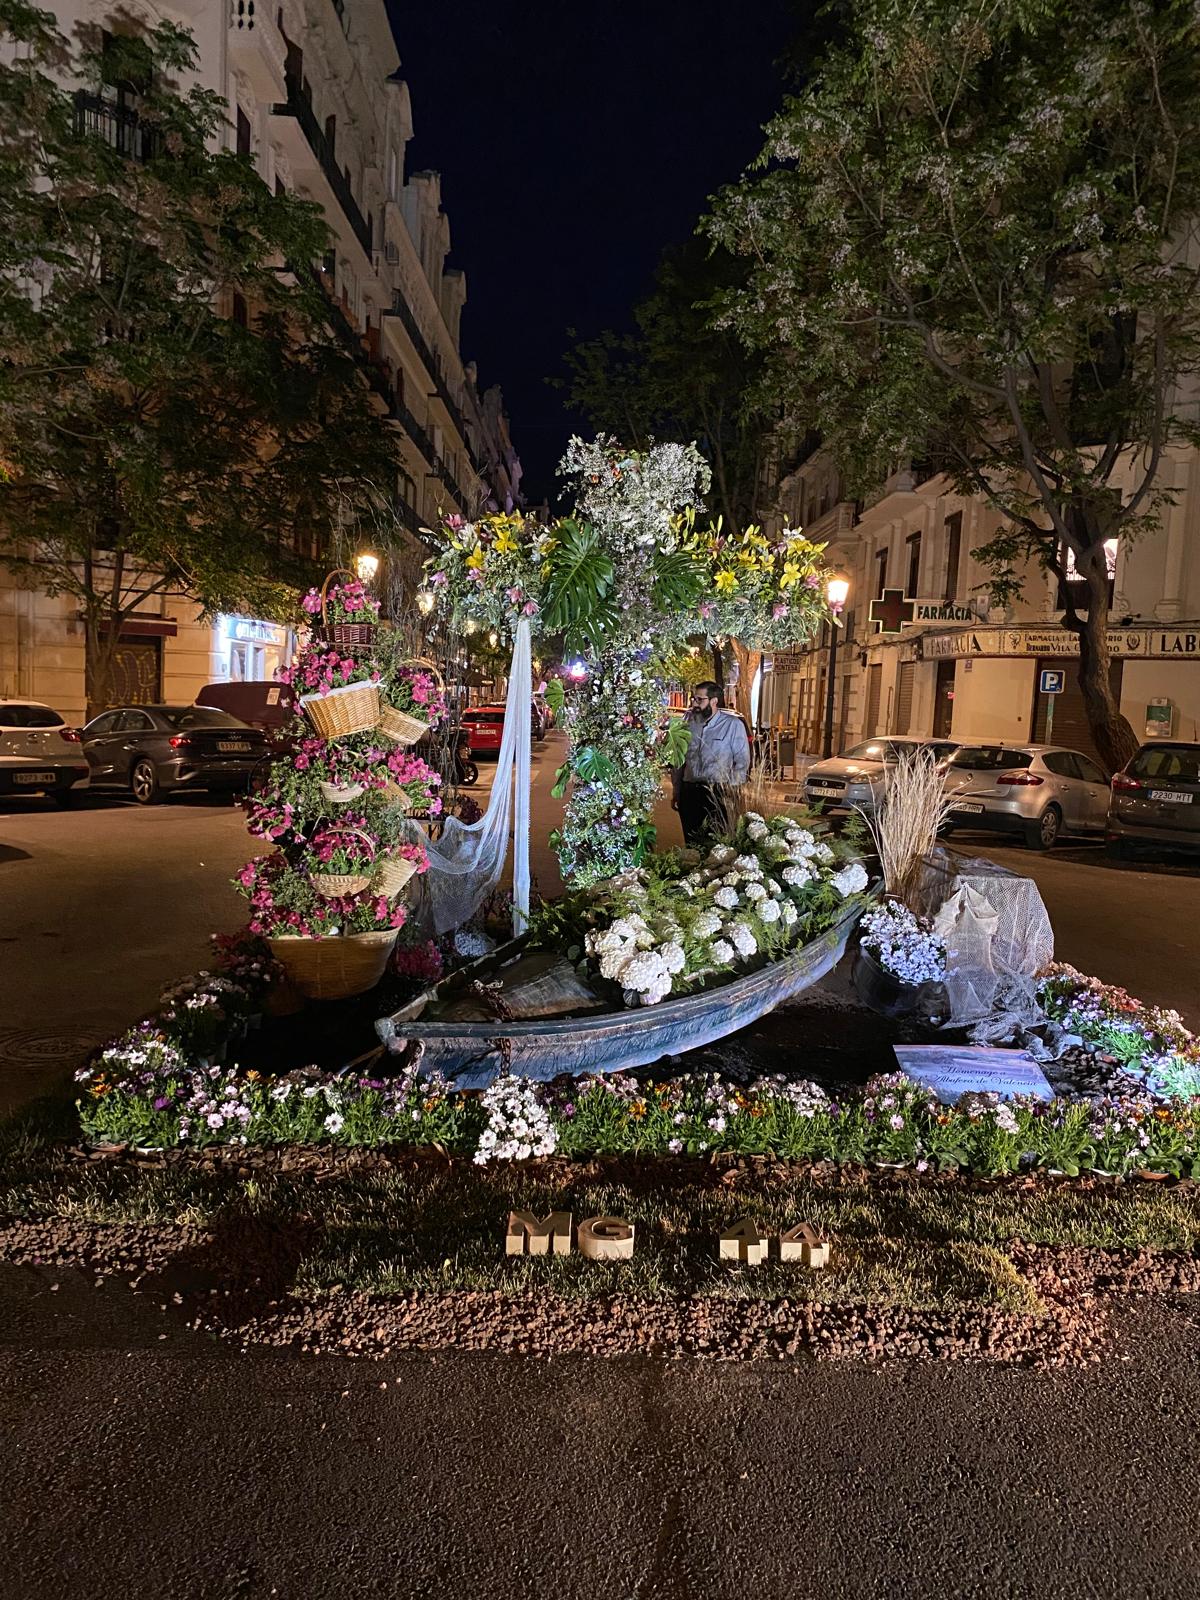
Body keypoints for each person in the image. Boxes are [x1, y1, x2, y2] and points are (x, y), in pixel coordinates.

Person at [671, 680, 751, 845]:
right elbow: (679, 759)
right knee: (691, 844)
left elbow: (742, 762)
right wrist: (677, 790)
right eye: (694, 699)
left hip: (718, 793)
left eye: (699, 699)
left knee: (715, 844)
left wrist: (731, 791)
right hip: (690, 791)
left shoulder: (732, 725)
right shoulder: (688, 724)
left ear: (714, 701)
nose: (694, 703)